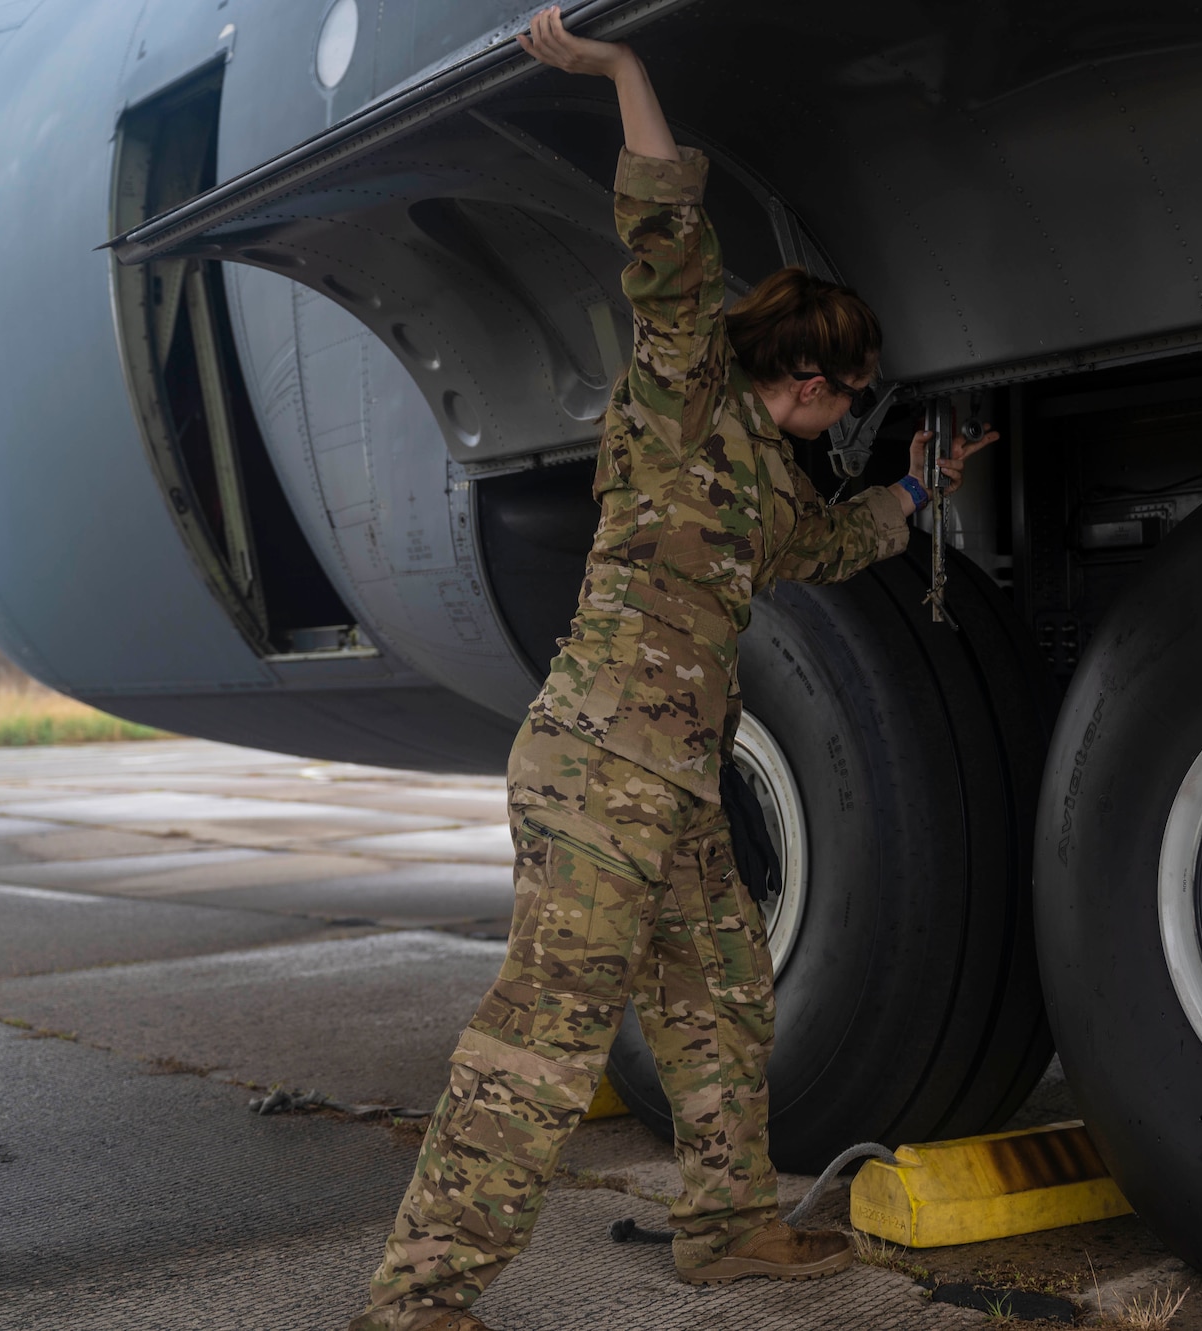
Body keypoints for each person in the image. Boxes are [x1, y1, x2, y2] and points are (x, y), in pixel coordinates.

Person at [349, 9, 994, 1329]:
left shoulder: (764, 478)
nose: (847, 410)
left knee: (721, 999)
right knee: (544, 1034)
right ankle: (419, 1297)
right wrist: (622, 69)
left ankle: (729, 1229)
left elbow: (822, 542)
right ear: (808, 375)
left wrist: (914, 497)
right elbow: (664, 233)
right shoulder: (684, 391)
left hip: (677, 784)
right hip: (597, 772)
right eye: (849, 390)